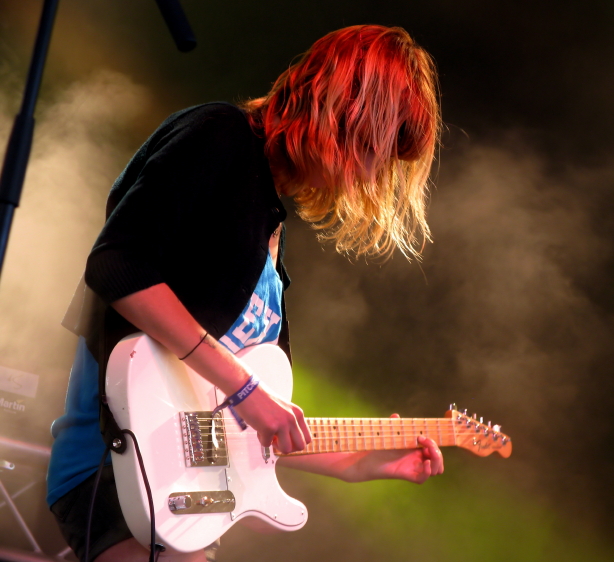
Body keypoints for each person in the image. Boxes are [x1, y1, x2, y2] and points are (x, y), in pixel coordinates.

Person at [46, 24, 442, 562]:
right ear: (341, 110)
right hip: (112, 467)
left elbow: (241, 427)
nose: (373, 172)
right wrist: (245, 389)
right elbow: (117, 266)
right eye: (374, 146)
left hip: (183, 497)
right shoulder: (220, 135)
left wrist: (360, 464)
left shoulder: (270, 230)